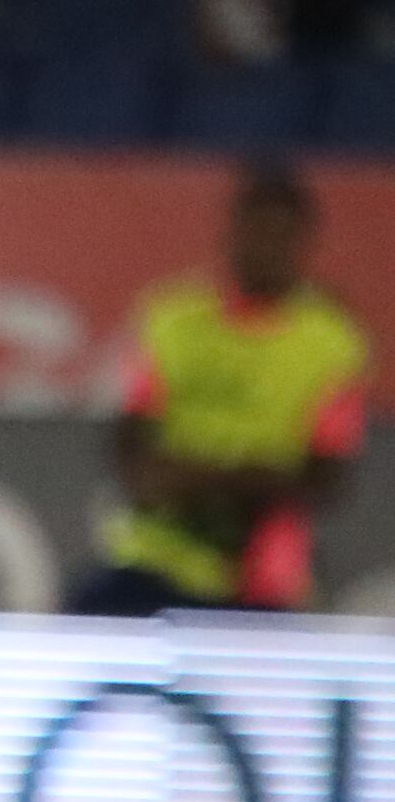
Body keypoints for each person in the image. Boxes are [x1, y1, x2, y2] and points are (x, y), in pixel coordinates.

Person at [71, 161, 366, 617]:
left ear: (302, 243)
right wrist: (252, 479)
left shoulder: (333, 345)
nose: (265, 247)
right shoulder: (170, 320)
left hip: (261, 576)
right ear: (231, 233)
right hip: (154, 558)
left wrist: (197, 478)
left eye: (280, 235)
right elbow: (132, 452)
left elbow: (324, 479)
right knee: (85, 621)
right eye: (255, 231)